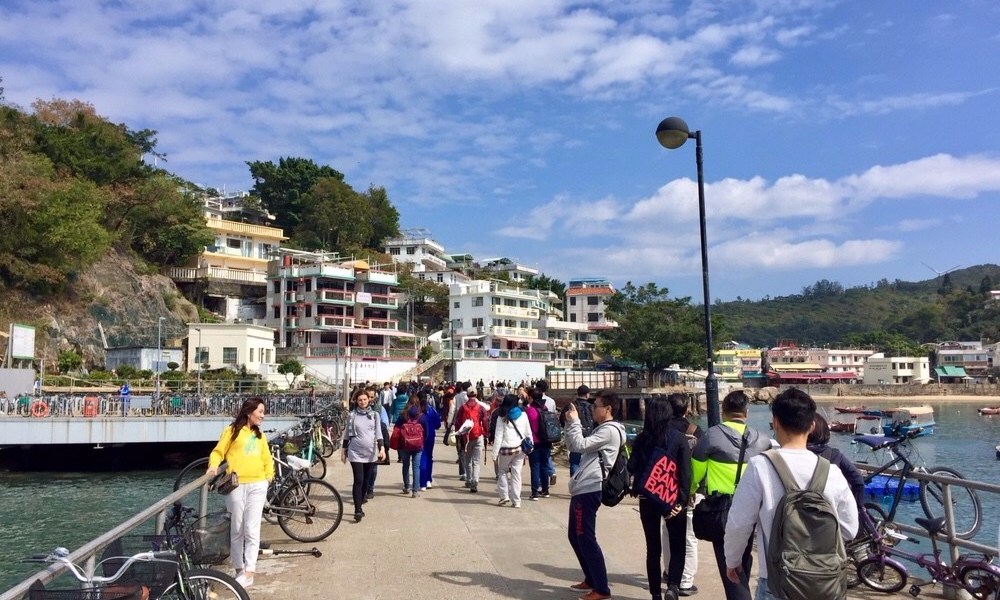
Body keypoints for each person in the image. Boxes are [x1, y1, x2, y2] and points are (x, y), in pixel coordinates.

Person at [724, 388, 858, 600]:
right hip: (824, 583)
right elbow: (850, 529)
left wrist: (732, 561)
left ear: (775, 422)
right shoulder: (831, 471)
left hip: (777, 581)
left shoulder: (760, 466)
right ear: (812, 425)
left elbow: (738, 523)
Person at [689, 390, 771, 600]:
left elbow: (695, 473)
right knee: (743, 558)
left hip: (722, 508)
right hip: (754, 508)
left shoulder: (711, 436)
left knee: (729, 566)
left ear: (723, 411)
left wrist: (690, 492)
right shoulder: (762, 440)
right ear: (746, 412)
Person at [563, 391, 627, 600]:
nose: (592, 409)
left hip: (590, 488)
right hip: (584, 487)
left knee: (586, 537)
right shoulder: (603, 430)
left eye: (596, 406)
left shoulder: (608, 431)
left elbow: (579, 446)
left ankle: (601, 588)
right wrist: (570, 424)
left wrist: (574, 423)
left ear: (608, 409)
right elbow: (575, 445)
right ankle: (591, 579)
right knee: (575, 535)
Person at [628, 396, 692, 600]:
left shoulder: (640, 439)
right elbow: (686, 473)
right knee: (678, 546)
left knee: (653, 549)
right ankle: (673, 587)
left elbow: (632, 467)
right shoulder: (678, 438)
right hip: (672, 500)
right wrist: (681, 502)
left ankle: (656, 594)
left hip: (647, 500)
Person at [206, 398, 273, 589]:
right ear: (249, 412)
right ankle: (239, 570)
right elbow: (218, 452)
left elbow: (267, 458)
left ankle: (249, 572)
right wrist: (213, 466)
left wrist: (268, 477)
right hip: (236, 484)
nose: (262, 415)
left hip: (258, 485)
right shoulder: (232, 431)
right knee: (236, 529)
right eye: (260, 411)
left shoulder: (260, 436)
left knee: (252, 529)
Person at [663, 394, 704, 597]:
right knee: (689, 536)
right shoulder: (695, 432)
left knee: (667, 531)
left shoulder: (663, 432)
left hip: (665, 490)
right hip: (690, 491)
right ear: (687, 410)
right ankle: (685, 581)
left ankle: (670, 572)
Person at [342, 388, 386, 522]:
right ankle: (357, 510)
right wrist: (344, 450)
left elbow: (378, 433)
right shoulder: (351, 415)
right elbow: (347, 434)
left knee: (366, 482)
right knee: (359, 480)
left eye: (365, 400)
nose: (362, 402)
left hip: (371, 452)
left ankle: (360, 501)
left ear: (369, 400)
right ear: (356, 401)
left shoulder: (374, 415)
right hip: (355, 452)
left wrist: (382, 448)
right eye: (360, 400)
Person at [807, 413, 865, 507]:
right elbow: (857, 479)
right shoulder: (834, 455)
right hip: (830, 512)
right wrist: (857, 506)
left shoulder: (795, 455)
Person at [491, 394, 531, 508]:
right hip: (519, 448)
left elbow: (498, 436)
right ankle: (516, 501)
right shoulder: (523, 414)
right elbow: (528, 433)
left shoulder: (501, 416)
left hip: (505, 449)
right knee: (516, 474)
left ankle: (504, 496)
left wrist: (494, 454)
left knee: (502, 471)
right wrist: (530, 448)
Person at [560, 385, 593, 476]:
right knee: (587, 462)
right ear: (587, 395)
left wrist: (567, 429)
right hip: (589, 436)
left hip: (574, 435)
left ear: (577, 394)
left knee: (574, 461)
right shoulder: (591, 407)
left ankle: (574, 482)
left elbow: (562, 419)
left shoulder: (570, 406)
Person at [396, 404, 428, 497]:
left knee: (405, 465)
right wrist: (421, 441)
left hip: (404, 445)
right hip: (418, 446)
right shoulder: (422, 418)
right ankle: (415, 491)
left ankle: (406, 486)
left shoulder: (403, 417)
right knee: (416, 467)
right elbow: (427, 432)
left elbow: (397, 429)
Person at [525, 388, 552, 500]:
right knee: (545, 465)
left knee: (535, 467)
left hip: (535, 442)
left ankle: (535, 492)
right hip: (546, 441)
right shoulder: (545, 408)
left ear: (531, 398)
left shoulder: (530, 410)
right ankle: (545, 491)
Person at [418, 391, 442, 490]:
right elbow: (438, 424)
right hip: (430, 436)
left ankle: (422, 482)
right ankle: (428, 480)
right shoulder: (431, 409)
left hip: (418, 436)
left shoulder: (416, 410)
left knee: (421, 458)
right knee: (429, 457)